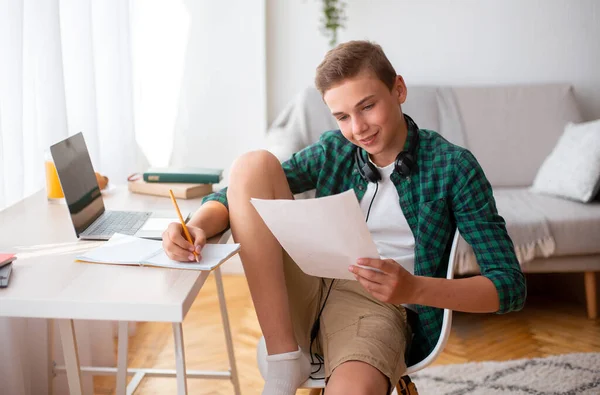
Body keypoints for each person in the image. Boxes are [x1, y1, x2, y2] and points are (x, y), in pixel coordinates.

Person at [162, 40, 527, 395]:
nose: (358, 128)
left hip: (378, 305)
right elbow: (237, 192)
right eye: (342, 116)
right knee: (252, 165)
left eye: (367, 107)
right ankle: (284, 358)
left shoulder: (454, 166)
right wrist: (197, 226)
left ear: (398, 89)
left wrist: (412, 288)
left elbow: (509, 285)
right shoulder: (334, 149)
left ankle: (300, 357)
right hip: (305, 282)